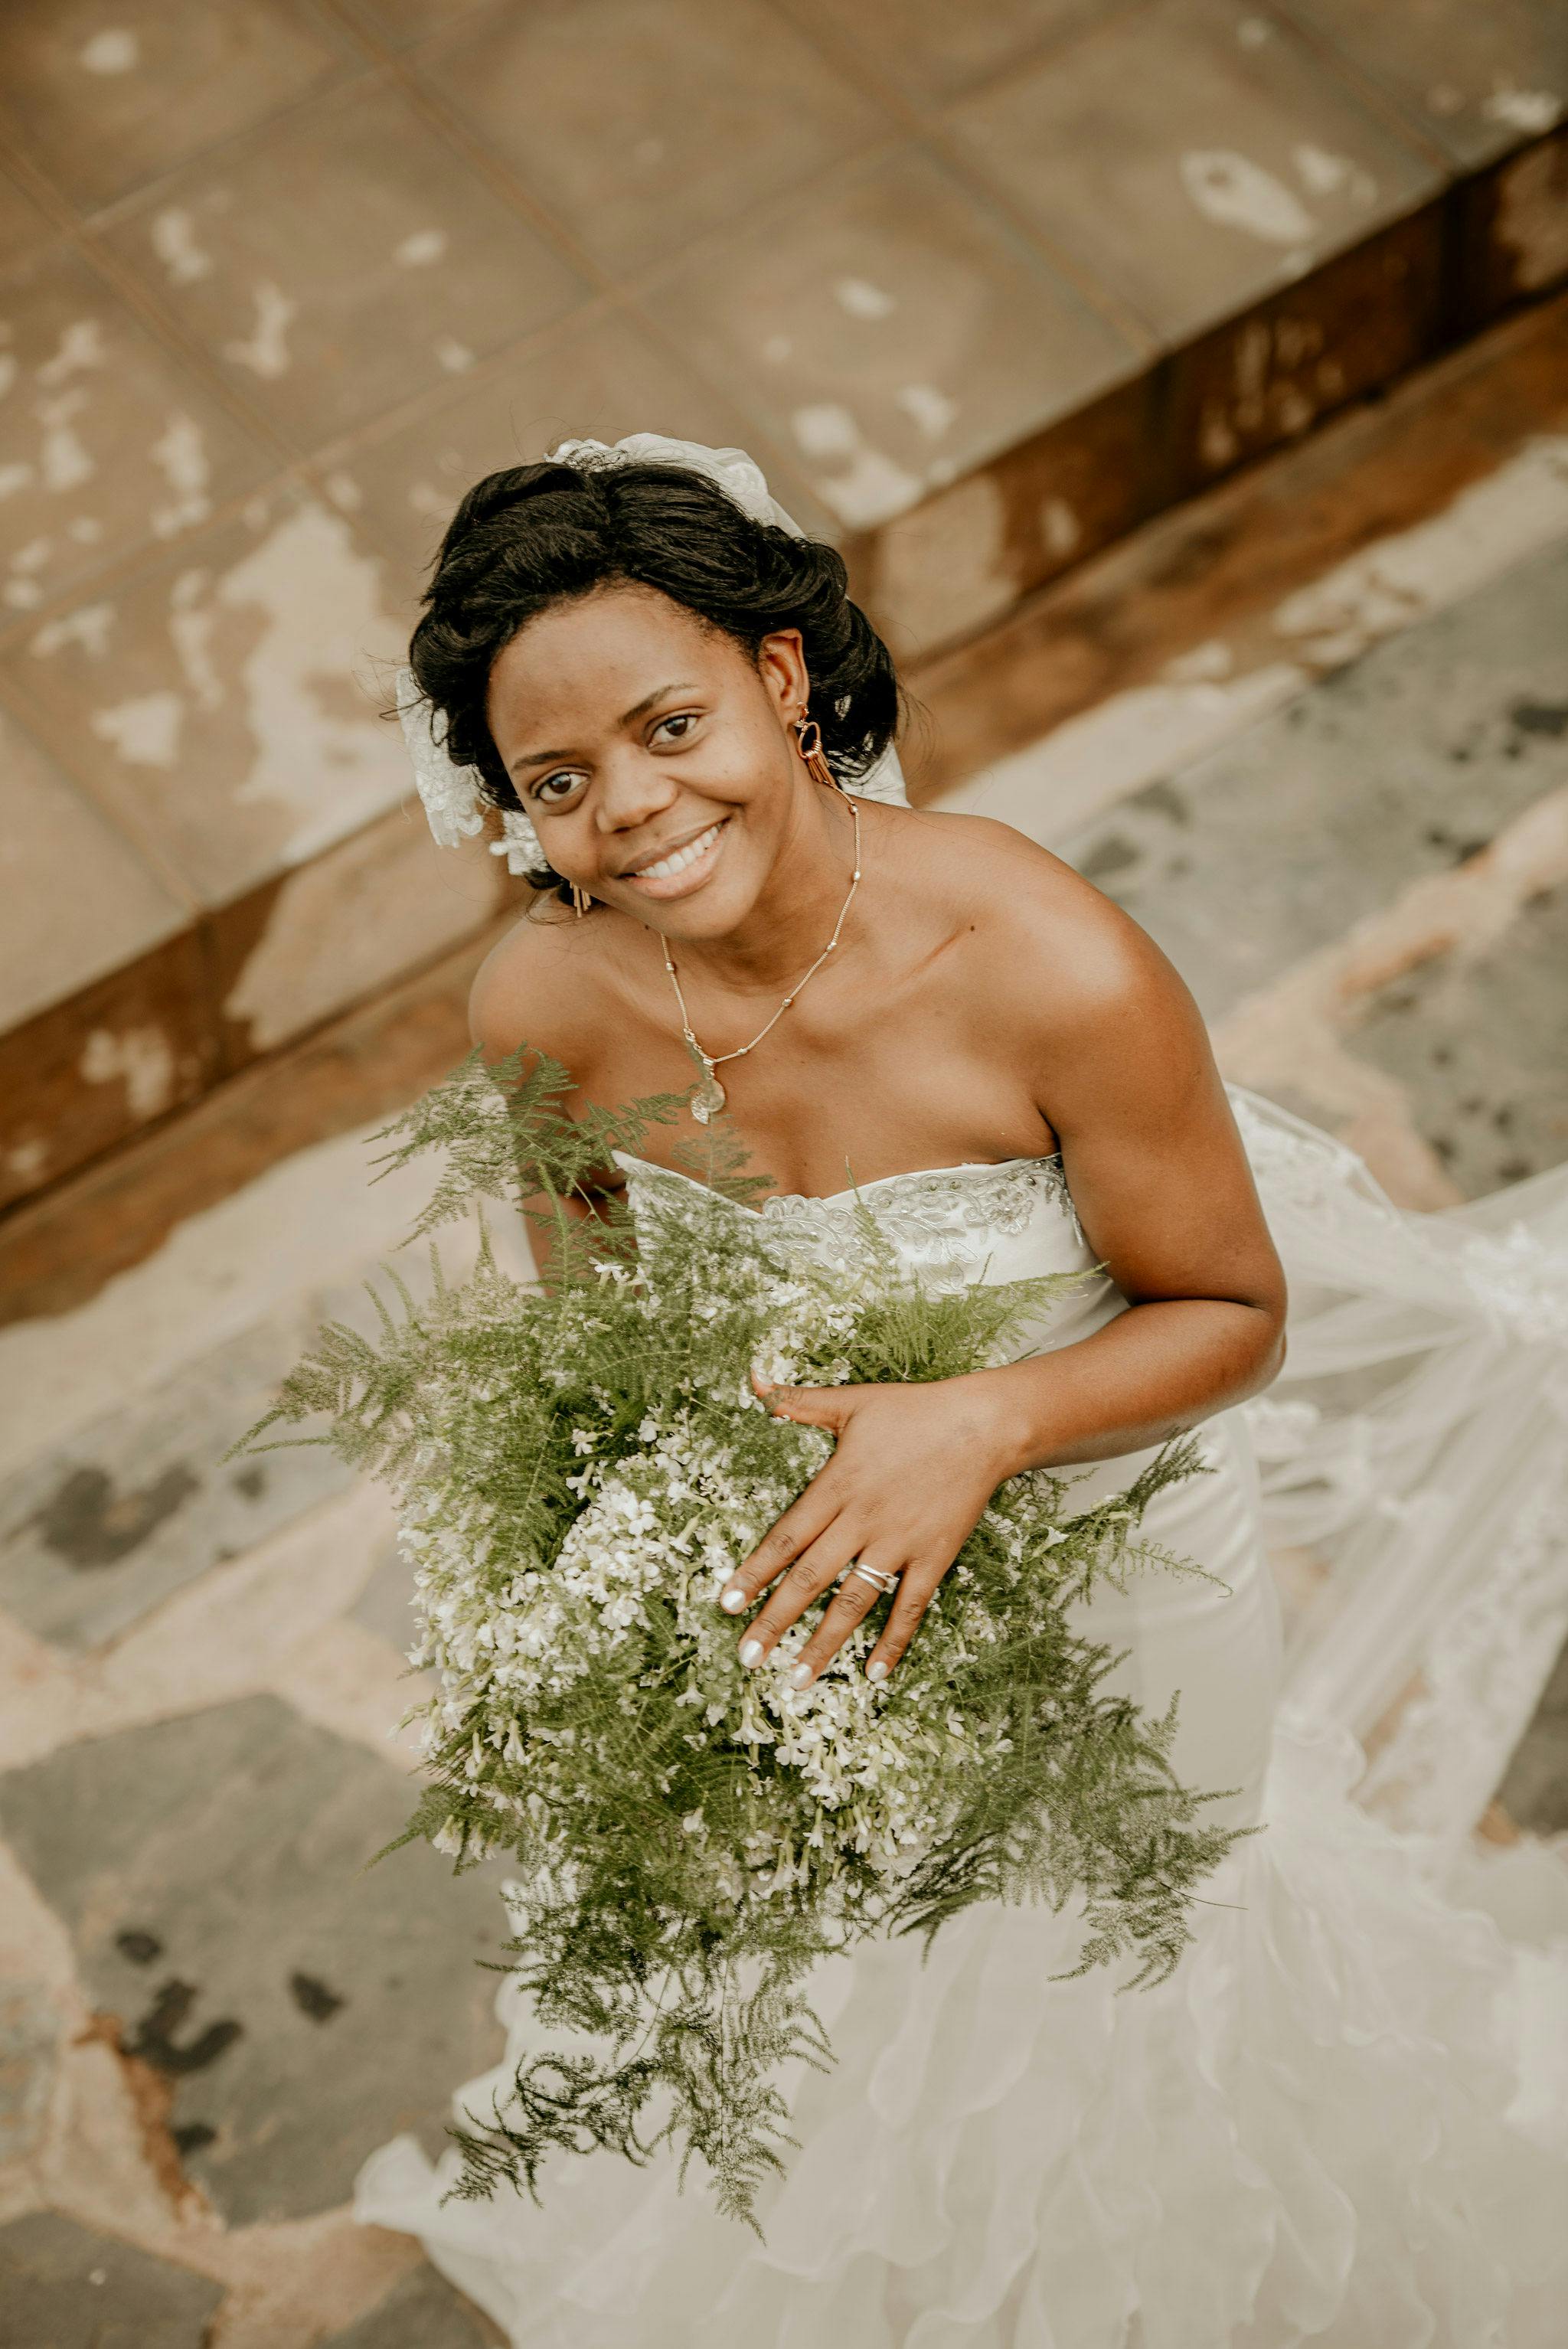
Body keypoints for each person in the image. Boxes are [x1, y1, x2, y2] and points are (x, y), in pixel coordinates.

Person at [357, 437, 1568, 2346]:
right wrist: (624, 1590)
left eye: (671, 725)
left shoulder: (1047, 963)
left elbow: (1232, 1310)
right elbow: (593, 1343)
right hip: (800, 1606)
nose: (635, 813)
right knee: (829, 2020)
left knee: (1116, 2004)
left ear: (778, 675)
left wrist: (980, 1419)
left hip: (1116, 1598)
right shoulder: (542, 1008)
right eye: (561, 783)